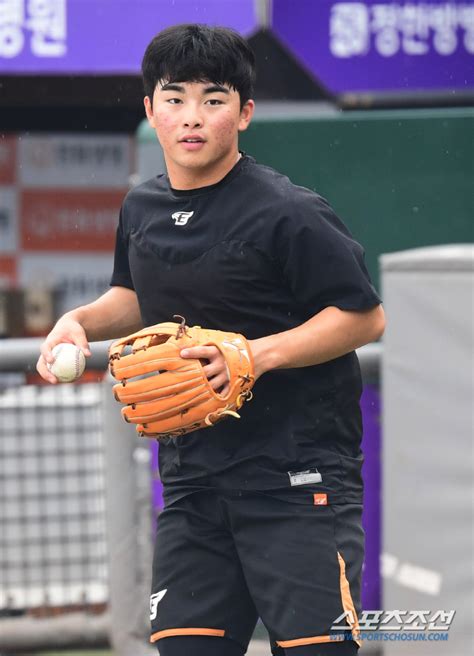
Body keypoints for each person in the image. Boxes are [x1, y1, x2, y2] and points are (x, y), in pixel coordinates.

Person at [37, 24, 385, 656]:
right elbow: (139, 295)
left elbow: (363, 317)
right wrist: (81, 322)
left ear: (245, 113)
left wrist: (254, 353)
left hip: (296, 483)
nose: (192, 117)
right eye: (174, 98)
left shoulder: (288, 211)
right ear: (149, 109)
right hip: (195, 486)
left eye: (214, 98)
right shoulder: (140, 208)